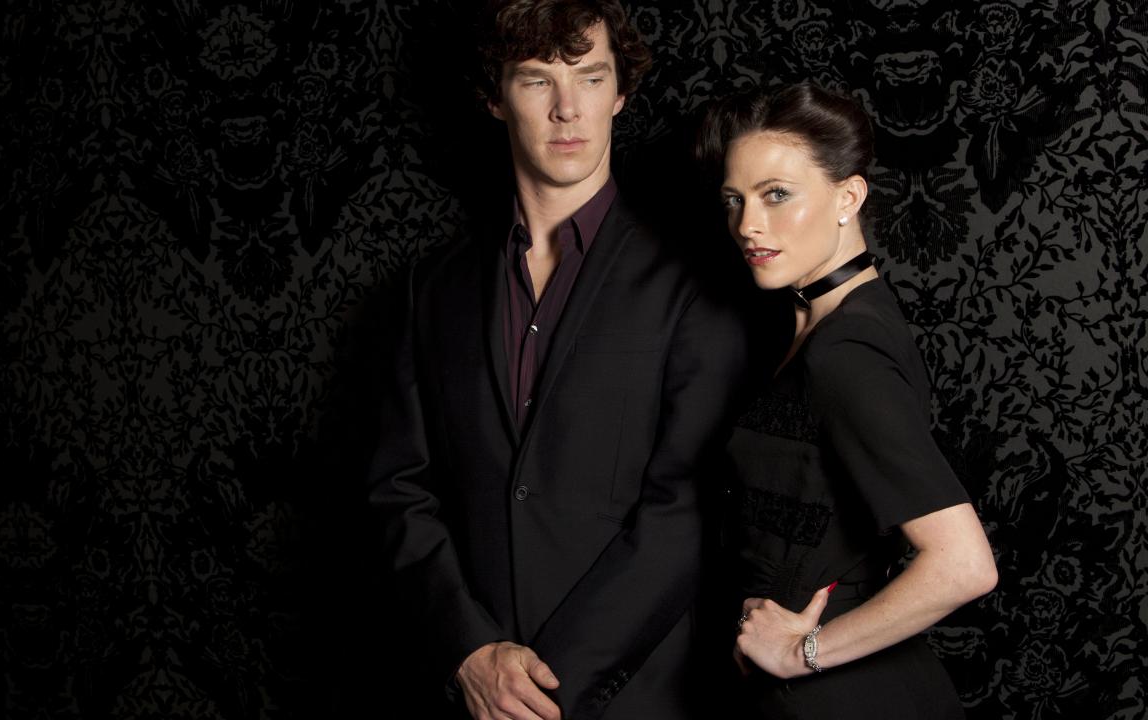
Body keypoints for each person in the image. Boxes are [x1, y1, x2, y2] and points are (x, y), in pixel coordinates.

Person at [366, 1, 750, 719]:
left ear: (620, 93)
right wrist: (470, 653)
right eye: (537, 80)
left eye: (591, 78)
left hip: (630, 698)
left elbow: (688, 510)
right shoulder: (433, 287)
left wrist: (548, 688)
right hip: (471, 695)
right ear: (495, 97)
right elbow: (398, 489)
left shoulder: (695, 280)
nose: (567, 108)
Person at [693, 83, 998, 719]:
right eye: (734, 199)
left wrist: (800, 652)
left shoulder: (846, 349)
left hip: (845, 698)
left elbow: (964, 564)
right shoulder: (830, 325)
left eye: (777, 194)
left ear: (848, 197)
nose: (747, 225)